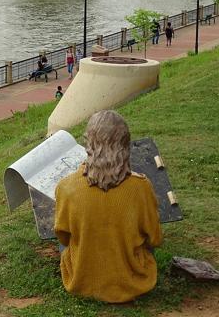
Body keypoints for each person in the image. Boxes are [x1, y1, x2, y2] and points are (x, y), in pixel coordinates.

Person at [54, 110, 162, 303]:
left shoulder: (66, 186)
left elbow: (63, 236)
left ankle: (88, 275)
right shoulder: (141, 187)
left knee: (64, 235)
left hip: (81, 283)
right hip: (134, 284)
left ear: (89, 144)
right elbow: (154, 239)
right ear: (125, 144)